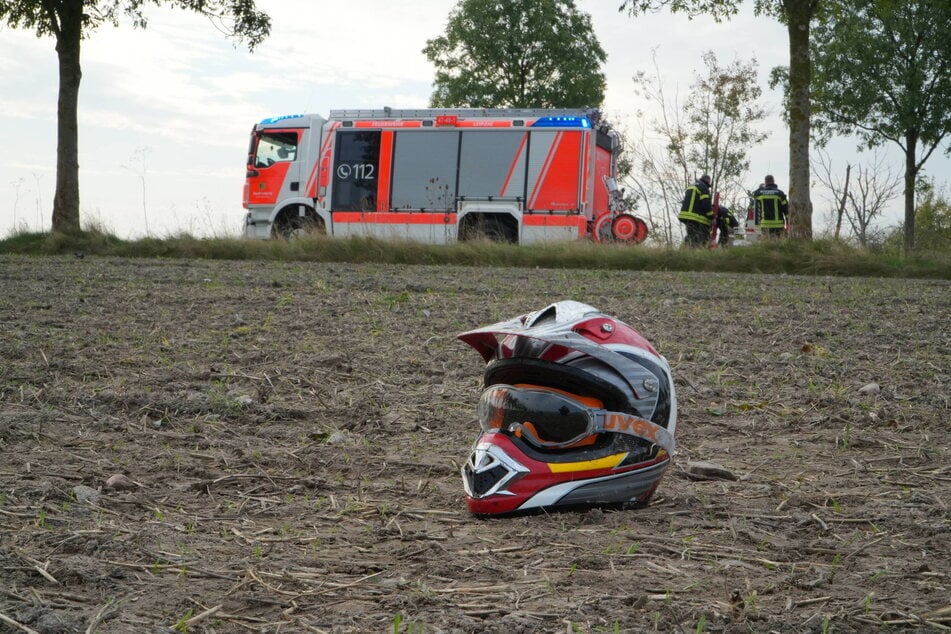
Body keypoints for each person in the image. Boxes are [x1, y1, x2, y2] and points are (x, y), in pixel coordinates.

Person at [678, 174, 714, 247]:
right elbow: (706, 203)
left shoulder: (692, 186)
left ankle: (683, 250)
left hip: (685, 215)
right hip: (695, 217)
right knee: (699, 237)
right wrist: (711, 216)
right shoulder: (704, 187)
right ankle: (694, 251)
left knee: (690, 235)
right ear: (707, 180)